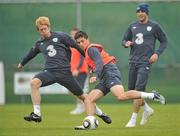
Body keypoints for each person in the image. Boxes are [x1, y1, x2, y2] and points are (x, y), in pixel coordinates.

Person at [17, 16, 112, 124]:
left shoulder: (61, 36)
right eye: (41, 30)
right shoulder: (40, 44)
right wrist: (22, 63)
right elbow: (31, 53)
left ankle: (101, 114)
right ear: (38, 31)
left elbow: (77, 46)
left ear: (49, 27)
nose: (43, 31)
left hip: (65, 73)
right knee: (34, 83)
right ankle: (37, 114)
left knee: (84, 97)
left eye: (45, 28)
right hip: (49, 72)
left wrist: (90, 62)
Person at [74, 31, 165, 130]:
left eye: (82, 41)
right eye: (78, 43)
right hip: (104, 77)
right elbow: (97, 63)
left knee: (121, 96)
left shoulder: (91, 49)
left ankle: (152, 95)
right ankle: (90, 124)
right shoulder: (87, 51)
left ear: (87, 39)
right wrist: (94, 70)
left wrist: (95, 75)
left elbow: (99, 62)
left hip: (109, 72)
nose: (81, 44)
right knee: (88, 100)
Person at [122, 3, 167, 127]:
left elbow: (164, 41)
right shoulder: (132, 26)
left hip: (145, 62)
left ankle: (133, 119)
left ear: (147, 13)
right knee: (132, 91)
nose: (140, 13)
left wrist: (157, 54)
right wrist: (126, 43)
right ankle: (147, 109)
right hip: (133, 61)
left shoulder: (154, 26)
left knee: (138, 90)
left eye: (142, 11)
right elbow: (124, 40)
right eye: (138, 11)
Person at [69, 28, 89, 115]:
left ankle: (81, 106)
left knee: (78, 90)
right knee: (73, 90)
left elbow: (82, 57)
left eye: (74, 34)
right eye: (71, 34)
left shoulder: (80, 45)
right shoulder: (71, 45)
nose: (72, 35)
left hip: (81, 71)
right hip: (73, 71)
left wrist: (77, 68)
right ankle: (83, 105)